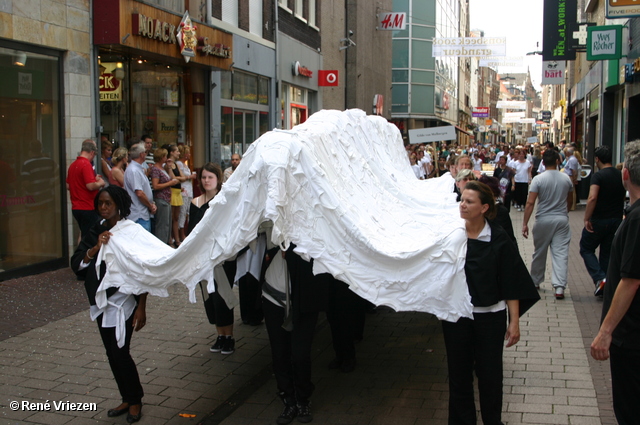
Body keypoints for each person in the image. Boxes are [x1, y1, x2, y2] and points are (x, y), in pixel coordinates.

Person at [443, 181, 539, 425]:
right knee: (458, 375)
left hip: (490, 317)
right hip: (457, 316)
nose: (462, 205)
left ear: (484, 207)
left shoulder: (498, 238)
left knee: (490, 376)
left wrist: (514, 321)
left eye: (469, 201)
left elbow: (511, 281)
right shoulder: (450, 235)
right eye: (461, 200)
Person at [70, 186, 147, 424]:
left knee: (120, 352)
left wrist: (142, 307)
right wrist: (95, 248)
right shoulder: (96, 229)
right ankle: (126, 397)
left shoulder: (132, 231)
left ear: (119, 205)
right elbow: (77, 264)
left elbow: (144, 270)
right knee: (111, 354)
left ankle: (135, 400)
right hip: (101, 303)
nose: (103, 208)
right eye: (100, 203)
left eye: (108, 203)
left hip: (123, 301)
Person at [590, 140, 640, 425]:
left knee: (630, 409)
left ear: (626, 176)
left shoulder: (636, 220)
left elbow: (630, 280)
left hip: (631, 336)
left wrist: (606, 331)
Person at [188, 163, 236, 355]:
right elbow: (192, 232)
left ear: (218, 179)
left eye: (210, 177)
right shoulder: (195, 203)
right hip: (203, 259)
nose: (207, 180)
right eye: (204, 177)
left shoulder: (224, 202)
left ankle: (229, 338)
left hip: (222, 258)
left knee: (222, 297)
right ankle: (219, 335)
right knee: (209, 298)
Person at [522, 149, 573, 299]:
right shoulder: (566, 179)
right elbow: (570, 199)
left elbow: (530, 202)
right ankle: (559, 287)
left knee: (540, 251)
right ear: (558, 161)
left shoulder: (538, 179)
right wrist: (566, 211)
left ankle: (536, 280)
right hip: (561, 219)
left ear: (543, 162)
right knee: (561, 253)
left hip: (543, 219)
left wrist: (525, 222)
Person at [580, 146, 627, 297]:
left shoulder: (598, 176)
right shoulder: (620, 175)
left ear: (597, 159)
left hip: (599, 220)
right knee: (606, 252)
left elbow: (592, 197)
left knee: (586, 248)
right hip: (616, 219)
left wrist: (587, 217)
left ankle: (600, 278)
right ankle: (606, 284)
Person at [66, 139, 106, 239]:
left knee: (85, 235)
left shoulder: (73, 165)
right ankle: (86, 254)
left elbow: (68, 185)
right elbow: (90, 186)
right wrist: (100, 183)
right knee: (90, 238)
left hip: (76, 207)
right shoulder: (86, 164)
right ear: (92, 152)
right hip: (88, 206)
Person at [124, 143, 157, 232]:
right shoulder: (134, 170)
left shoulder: (138, 169)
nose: (146, 154)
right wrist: (150, 206)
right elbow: (139, 193)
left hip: (142, 213)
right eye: (145, 152)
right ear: (141, 154)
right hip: (138, 215)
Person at [150, 148, 178, 245]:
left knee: (167, 225)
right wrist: (169, 183)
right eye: (165, 156)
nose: (167, 158)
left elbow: (174, 179)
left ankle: (166, 243)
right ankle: (161, 245)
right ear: (162, 157)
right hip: (161, 199)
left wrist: (169, 167)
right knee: (162, 225)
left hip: (167, 199)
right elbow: (155, 185)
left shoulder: (163, 168)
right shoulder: (155, 169)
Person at [163, 144, 187, 247]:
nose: (178, 153)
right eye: (176, 151)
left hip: (177, 192)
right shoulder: (166, 165)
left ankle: (177, 239)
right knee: (170, 217)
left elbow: (183, 177)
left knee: (176, 217)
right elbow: (173, 178)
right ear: (171, 152)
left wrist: (179, 178)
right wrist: (179, 178)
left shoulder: (176, 165)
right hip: (171, 192)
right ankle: (170, 239)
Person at [176, 145, 196, 242]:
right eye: (187, 152)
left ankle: (185, 231)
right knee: (182, 212)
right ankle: (181, 233)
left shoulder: (185, 164)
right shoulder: (179, 164)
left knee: (187, 212)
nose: (189, 155)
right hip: (183, 190)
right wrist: (190, 177)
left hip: (189, 190)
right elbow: (181, 177)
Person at [510, 147, 532, 211]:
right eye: (520, 154)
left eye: (523, 154)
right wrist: (513, 182)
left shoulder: (527, 163)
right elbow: (513, 173)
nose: (521, 155)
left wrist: (529, 179)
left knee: (524, 194)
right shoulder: (515, 163)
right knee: (518, 193)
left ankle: (523, 205)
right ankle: (519, 204)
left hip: (525, 180)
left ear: (524, 155)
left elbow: (529, 171)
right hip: (517, 180)